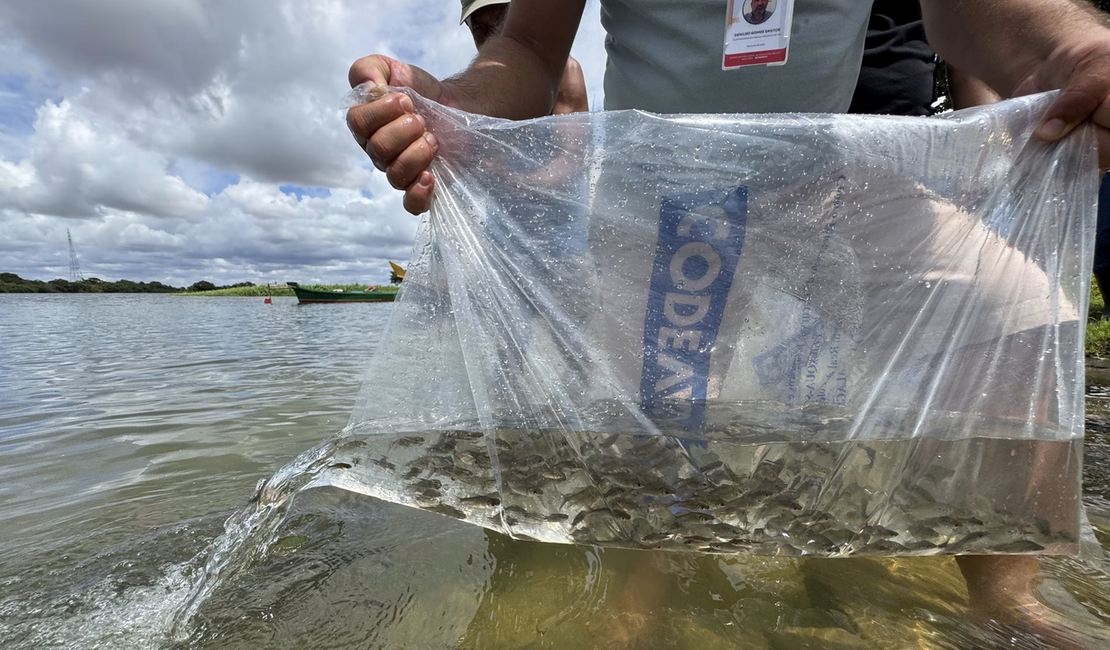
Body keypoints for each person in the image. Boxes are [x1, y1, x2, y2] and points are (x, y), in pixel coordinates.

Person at [461, 0, 588, 115]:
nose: (493, 36)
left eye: (501, 20)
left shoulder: (564, 74)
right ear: (469, 27)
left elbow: (571, 139)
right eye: (481, 28)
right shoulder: (470, 89)